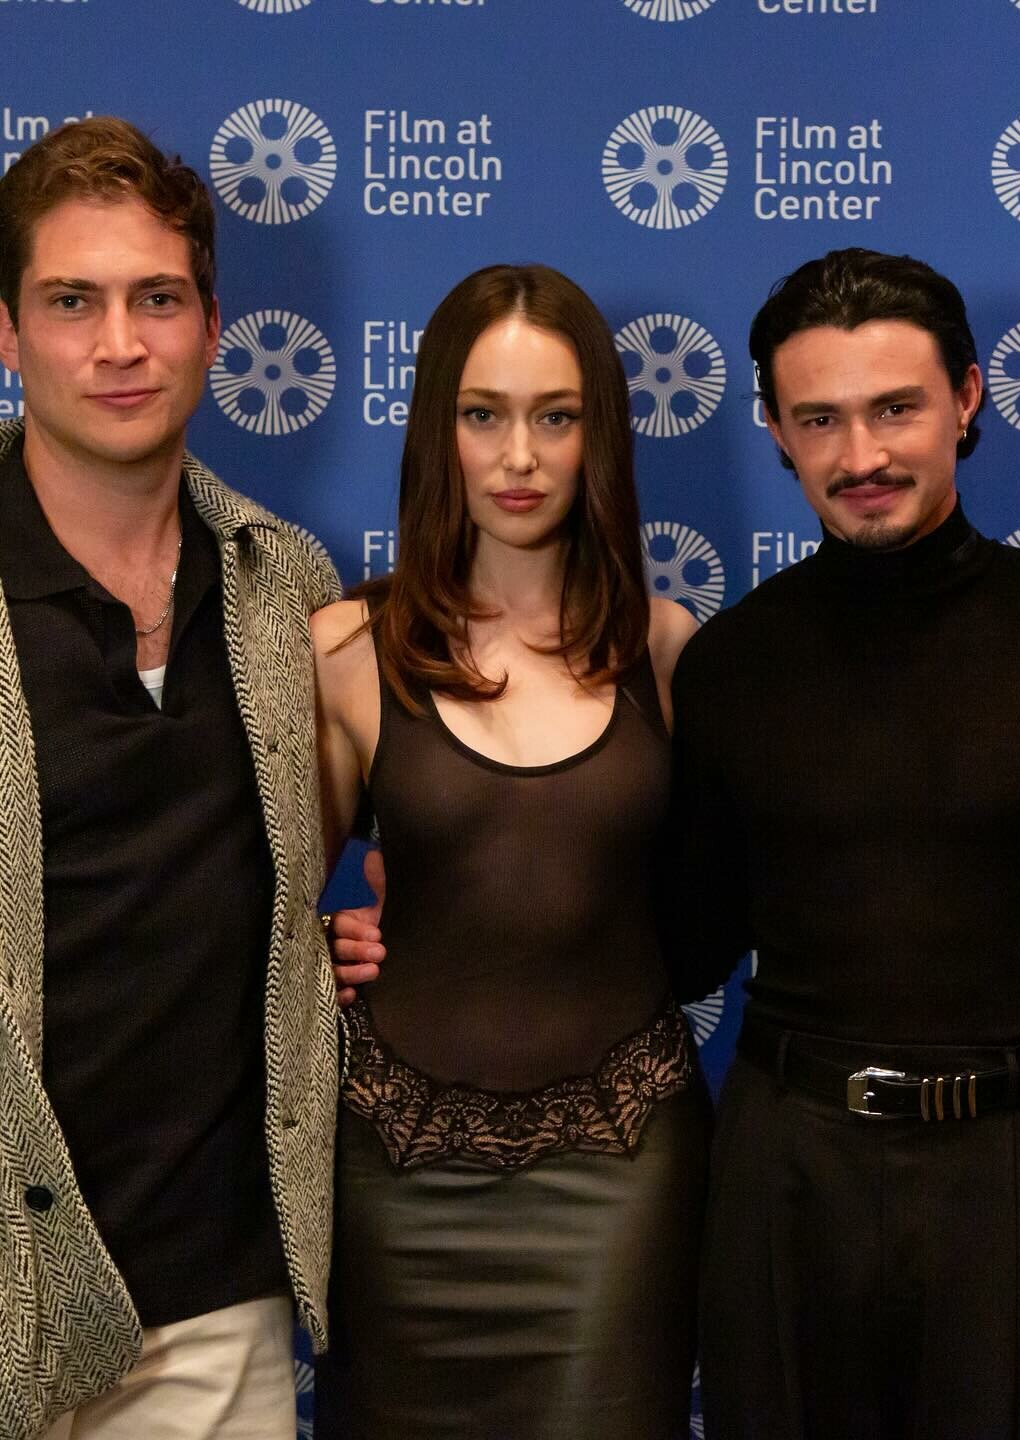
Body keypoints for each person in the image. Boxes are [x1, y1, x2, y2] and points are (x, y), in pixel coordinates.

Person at [664, 248, 1020, 1439]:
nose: (862, 456)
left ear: (968, 398)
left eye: (895, 408)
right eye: (820, 420)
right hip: (785, 1177)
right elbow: (674, 943)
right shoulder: (731, 665)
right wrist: (447, 919)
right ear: (774, 430)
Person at [308, 263, 706, 1440]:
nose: (519, 456)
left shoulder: (666, 648)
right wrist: (313, 945)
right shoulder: (347, 647)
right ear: (439, 429)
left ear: (600, 437)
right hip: (392, 1175)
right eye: (484, 415)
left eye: (556, 417)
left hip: (623, 1176)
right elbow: (253, 906)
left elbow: (725, 902)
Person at [0, 117, 340, 1440]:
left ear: (212, 327)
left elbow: (306, 884)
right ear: (9, 334)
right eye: (70, 301)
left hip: (213, 1305)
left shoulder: (284, 584)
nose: (119, 344)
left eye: (157, 298)